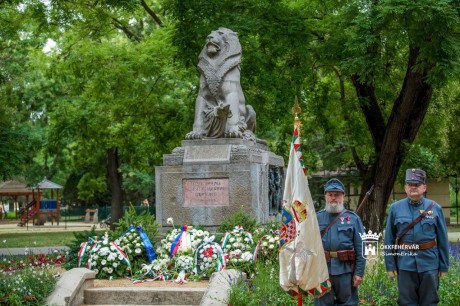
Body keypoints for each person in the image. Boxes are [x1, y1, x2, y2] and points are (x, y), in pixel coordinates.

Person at [384, 168, 449, 305]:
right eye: (410, 184)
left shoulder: (435, 208)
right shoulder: (395, 208)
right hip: (405, 264)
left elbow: (442, 239)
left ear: (424, 187)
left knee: (430, 301)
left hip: (429, 263)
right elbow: (389, 238)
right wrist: (390, 265)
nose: (413, 187)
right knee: (406, 302)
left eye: (417, 184)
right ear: (405, 188)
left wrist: (443, 266)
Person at [315, 178, 366, 306]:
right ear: (325, 196)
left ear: (343, 196)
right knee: (323, 304)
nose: (333, 198)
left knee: (348, 303)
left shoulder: (353, 219)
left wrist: (359, 272)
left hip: (346, 271)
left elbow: (362, 248)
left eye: (337, 195)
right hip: (322, 271)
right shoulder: (316, 218)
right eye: (330, 195)